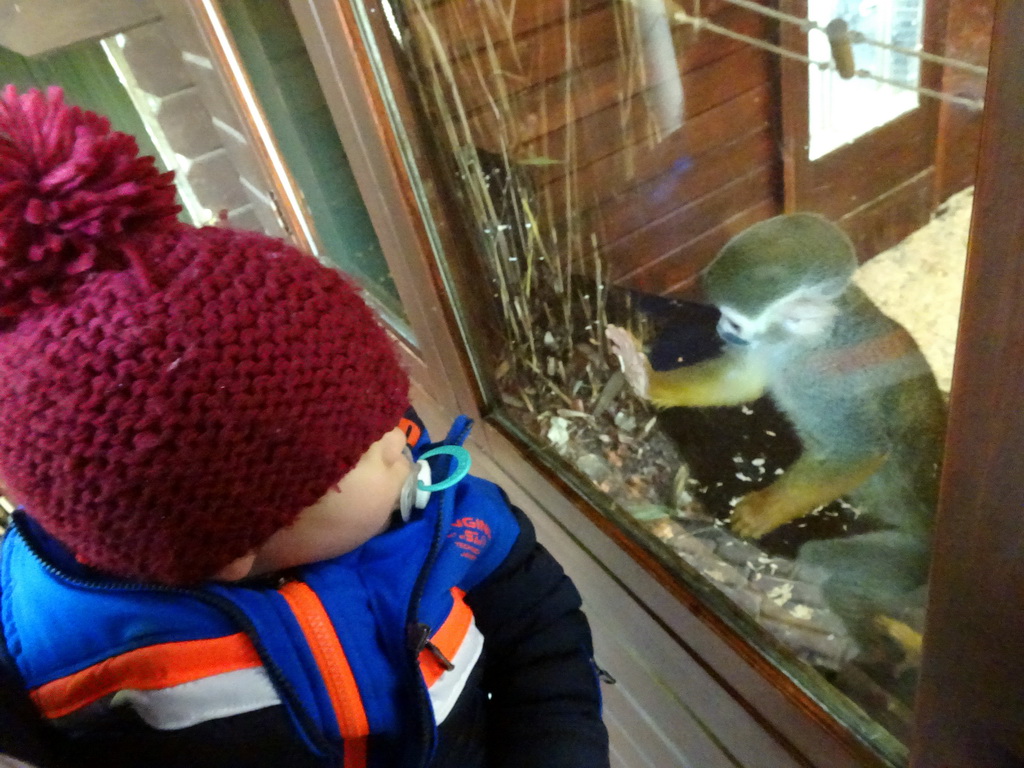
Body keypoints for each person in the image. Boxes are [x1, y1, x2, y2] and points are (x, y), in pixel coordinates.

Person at [0, 86, 609, 768]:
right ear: (237, 544)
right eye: (372, 444)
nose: (407, 437)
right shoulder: (62, 655)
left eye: (390, 408)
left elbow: (544, 641)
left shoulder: (447, 519)